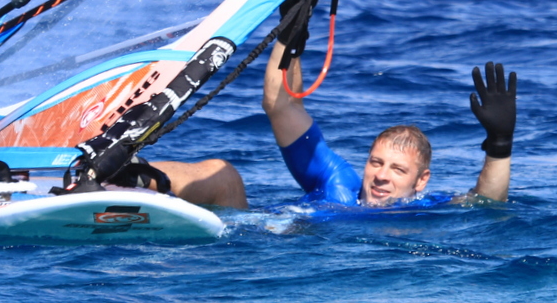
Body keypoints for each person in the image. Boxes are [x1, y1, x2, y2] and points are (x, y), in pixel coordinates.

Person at [146, 40, 517, 210]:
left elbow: (487, 202)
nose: (381, 176)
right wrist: (291, 35)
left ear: (422, 180)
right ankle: (127, 177)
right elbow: (281, 105)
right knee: (223, 175)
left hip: (261, 264)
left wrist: (500, 143)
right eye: (376, 162)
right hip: (250, 232)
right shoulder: (337, 183)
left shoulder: (426, 211)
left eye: (398, 169)